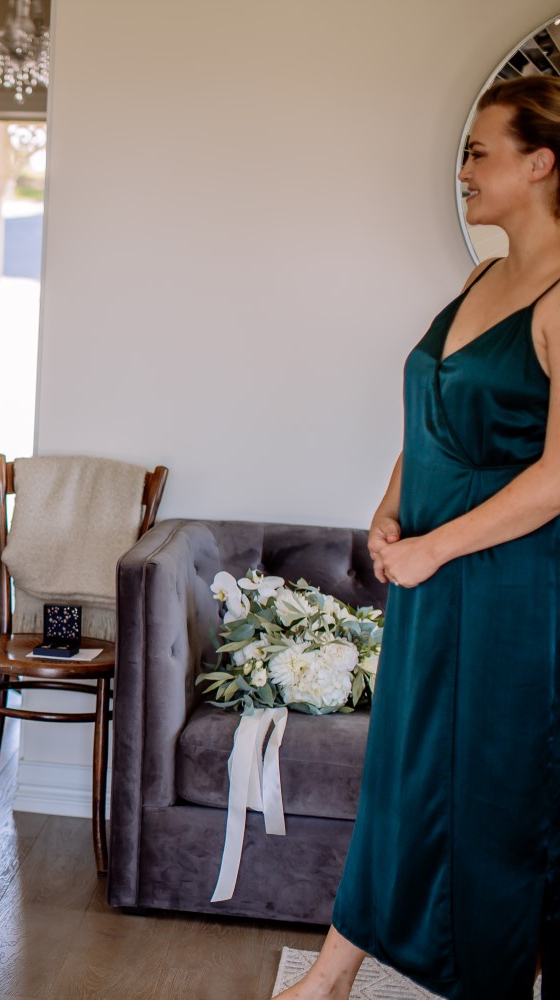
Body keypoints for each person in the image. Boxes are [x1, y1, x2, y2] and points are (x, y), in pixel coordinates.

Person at [280, 76, 560, 1000]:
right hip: (431, 577)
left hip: (515, 590)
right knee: (404, 770)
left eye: (479, 152)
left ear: (540, 163)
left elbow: (558, 477)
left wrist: (436, 547)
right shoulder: (482, 278)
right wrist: (391, 505)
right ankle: (334, 974)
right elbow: (431, 411)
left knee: (495, 797)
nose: (463, 168)